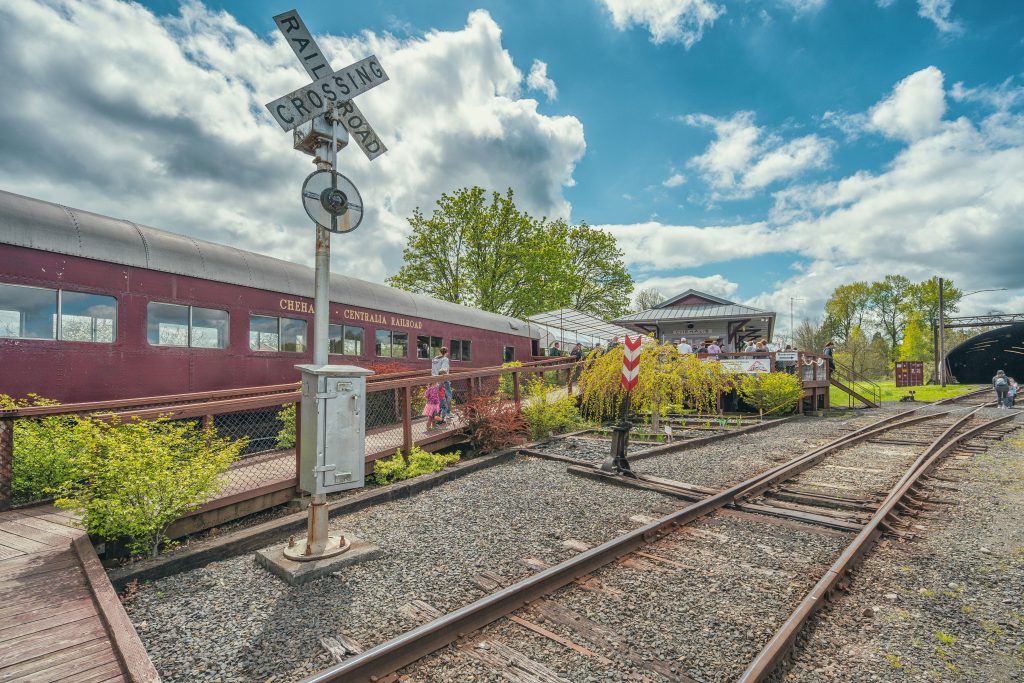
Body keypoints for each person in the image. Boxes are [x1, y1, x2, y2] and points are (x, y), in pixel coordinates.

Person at [431, 346, 451, 423]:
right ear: (447, 353)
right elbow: (443, 370)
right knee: (447, 397)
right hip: (443, 381)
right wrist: (441, 381)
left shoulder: (434, 360)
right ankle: (444, 417)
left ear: (440, 352)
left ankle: (438, 417)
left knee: (438, 399)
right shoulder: (445, 359)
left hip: (434, 381)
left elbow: (433, 370)